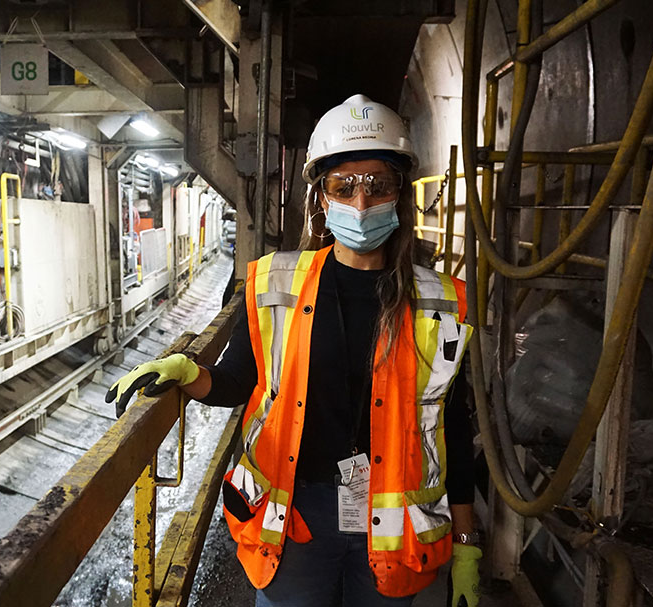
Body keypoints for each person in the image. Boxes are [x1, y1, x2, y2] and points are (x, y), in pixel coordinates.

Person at [106, 94, 481, 607]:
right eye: (343, 187)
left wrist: (465, 543)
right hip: (293, 518)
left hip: (395, 528)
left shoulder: (440, 302)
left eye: (379, 186)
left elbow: (453, 427)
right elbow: (237, 380)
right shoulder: (273, 283)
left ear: (401, 194)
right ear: (321, 199)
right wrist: (184, 371)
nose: (362, 203)